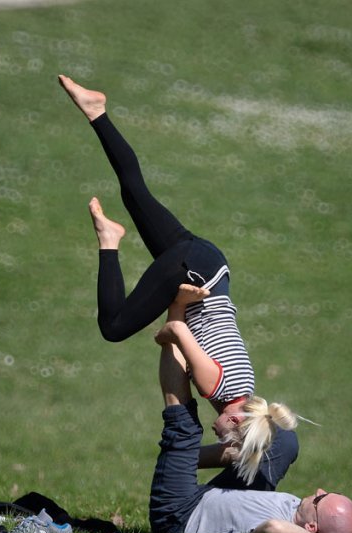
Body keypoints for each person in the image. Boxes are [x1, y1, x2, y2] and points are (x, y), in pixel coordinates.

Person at [59, 74, 297, 486]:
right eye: (228, 436)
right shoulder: (215, 387)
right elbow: (173, 329)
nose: (219, 436)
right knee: (114, 327)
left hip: (210, 263)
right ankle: (109, 241)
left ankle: (96, 111)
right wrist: (178, 310)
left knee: (136, 194)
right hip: (194, 272)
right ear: (236, 419)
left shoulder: (247, 386)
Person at [149, 342, 352, 533]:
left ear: (311, 527)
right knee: (282, 440)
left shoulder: (283, 531)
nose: (318, 490)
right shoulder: (329, 528)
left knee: (183, 424)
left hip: (179, 514)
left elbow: (274, 529)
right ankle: (195, 458)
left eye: (320, 498)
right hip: (208, 496)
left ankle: (175, 322)